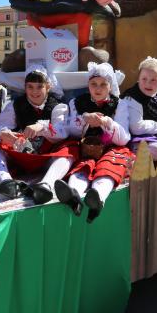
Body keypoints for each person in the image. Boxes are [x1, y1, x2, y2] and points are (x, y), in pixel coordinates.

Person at [0, 65, 76, 203]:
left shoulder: (59, 106)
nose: (35, 92)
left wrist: (41, 127)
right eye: (30, 87)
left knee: (71, 149)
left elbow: (62, 132)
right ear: (25, 88)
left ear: (48, 87)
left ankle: (45, 184)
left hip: (45, 157)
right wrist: (4, 134)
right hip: (20, 154)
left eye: (39, 87)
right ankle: (6, 181)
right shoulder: (15, 105)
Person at [56, 62, 132, 222]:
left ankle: (98, 198)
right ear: (88, 85)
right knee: (83, 165)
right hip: (86, 146)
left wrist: (107, 123)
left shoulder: (120, 104)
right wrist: (84, 119)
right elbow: (72, 131)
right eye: (93, 84)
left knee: (109, 165)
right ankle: (74, 195)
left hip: (111, 147)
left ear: (110, 86)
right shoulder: (76, 102)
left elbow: (124, 138)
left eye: (103, 84)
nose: (98, 89)